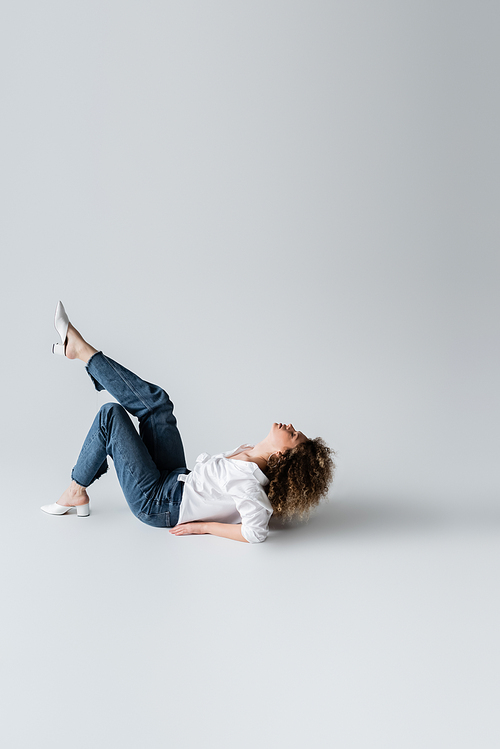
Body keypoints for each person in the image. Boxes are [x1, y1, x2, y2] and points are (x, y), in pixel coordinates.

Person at [41, 302, 335, 543]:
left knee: (111, 416)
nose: (290, 427)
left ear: (282, 455)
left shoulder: (249, 484)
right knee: (159, 406)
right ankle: (81, 352)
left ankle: (75, 490)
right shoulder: (249, 457)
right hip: (175, 477)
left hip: (157, 502)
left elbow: (256, 531)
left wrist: (203, 526)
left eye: (294, 434)